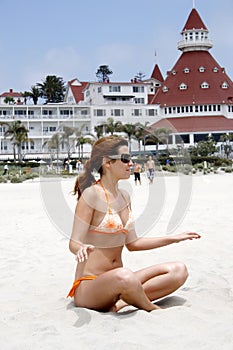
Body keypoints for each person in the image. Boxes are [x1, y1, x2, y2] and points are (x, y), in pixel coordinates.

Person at [67, 136, 201, 312]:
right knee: (125, 276)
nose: (131, 163)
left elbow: (133, 243)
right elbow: (73, 242)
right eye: (125, 159)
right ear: (108, 163)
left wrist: (174, 238)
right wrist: (80, 248)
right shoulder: (91, 195)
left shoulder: (125, 197)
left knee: (178, 270)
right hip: (90, 286)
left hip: (120, 281)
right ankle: (151, 308)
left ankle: (121, 302)